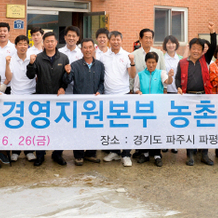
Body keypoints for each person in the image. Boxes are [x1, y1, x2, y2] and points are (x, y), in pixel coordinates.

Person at [26, 31, 70, 166]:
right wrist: (31, 64)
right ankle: (40, 155)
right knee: (41, 127)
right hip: (42, 98)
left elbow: (66, 78)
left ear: (56, 42)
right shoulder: (38, 58)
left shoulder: (63, 58)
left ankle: (57, 154)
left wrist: (63, 86)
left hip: (58, 100)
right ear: (43, 43)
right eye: (47, 41)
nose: (50, 43)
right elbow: (30, 76)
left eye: (52, 41)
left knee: (59, 127)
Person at [66, 38, 105, 166]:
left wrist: (100, 91)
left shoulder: (99, 65)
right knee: (79, 129)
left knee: (93, 129)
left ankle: (90, 154)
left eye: (90, 47)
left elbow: (101, 82)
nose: (88, 50)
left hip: (95, 104)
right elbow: (67, 81)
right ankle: (78, 155)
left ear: (94, 48)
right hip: (79, 103)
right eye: (85, 47)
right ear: (81, 49)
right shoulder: (75, 65)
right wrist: (67, 73)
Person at [176, 38, 214, 166]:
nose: (196, 51)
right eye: (194, 48)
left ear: (202, 50)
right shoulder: (182, 62)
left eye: (199, 48)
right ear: (190, 49)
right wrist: (178, 87)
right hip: (188, 98)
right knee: (190, 127)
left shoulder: (205, 60)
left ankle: (204, 154)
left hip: (203, 98)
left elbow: (213, 47)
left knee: (204, 127)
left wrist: (212, 32)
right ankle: (190, 154)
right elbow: (177, 78)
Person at [101, 31, 136, 167]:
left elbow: (132, 75)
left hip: (124, 95)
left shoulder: (127, 55)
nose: (115, 42)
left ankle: (126, 154)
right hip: (108, 95)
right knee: (111, 126)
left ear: (121, 40)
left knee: (125, 126)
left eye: (118, 39)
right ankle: (114, 151)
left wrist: (132, 62)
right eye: (113, 40)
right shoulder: (104, 56)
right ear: (109, 41)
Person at [135, 51, 173, 167]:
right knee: (145, 130)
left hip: (158, 108)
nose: (151, 65)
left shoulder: (161, 73)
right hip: (144, 108)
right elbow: (136, 88)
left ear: (156, 63)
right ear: (145, 62)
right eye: (149, 62)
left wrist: (171, 76)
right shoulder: (140, 75)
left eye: (153, 62)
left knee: (157, 130)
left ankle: (157, 155)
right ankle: (145, 154)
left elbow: (167, 82)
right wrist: (138, 92)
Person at [5, 35, 37, 162]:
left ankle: (29, 151)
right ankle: (16, 151)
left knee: (29, 125)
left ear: (28, 46)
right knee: (16, 125)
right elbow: (8, 77)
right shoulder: (11, 59)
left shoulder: (33, 58)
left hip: (30, 95)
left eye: (25, 44)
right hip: (16, 95)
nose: (23, 46)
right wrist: (7, 64)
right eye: (20, 44)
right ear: (16, 46)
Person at [132, 28, 165, 93]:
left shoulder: (159, 53)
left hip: (156, 91)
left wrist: (165, 88)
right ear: (140, 39)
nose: (148, 40)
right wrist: (131, 88)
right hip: (139, 92)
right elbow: (131, 75)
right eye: (146, 38)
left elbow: (163, 70)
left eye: (150, 38)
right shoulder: (134, 55)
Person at [60, 26, 83, 94]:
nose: (71, 38)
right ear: (65, 37)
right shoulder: (59, 52)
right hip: (61, 89)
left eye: (74, 36)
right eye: (69, 36)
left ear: (78, 38)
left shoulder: (82, 53)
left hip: (77, 89)